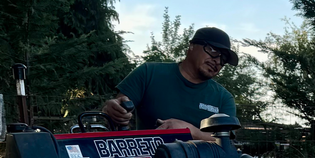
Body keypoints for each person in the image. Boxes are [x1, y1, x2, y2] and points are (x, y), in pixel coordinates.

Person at [102, 27, 240, 142]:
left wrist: (189, 131)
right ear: (191, 46)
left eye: (224, 59)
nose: (217, 61)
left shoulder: (224, 98)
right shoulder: (149, 73)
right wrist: (113, 110)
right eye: (213, 51)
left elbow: (225, 143)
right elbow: (119, 107)